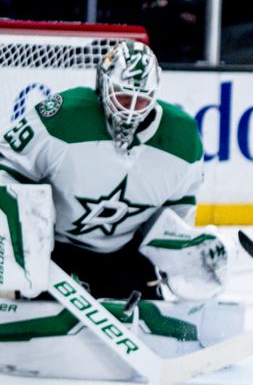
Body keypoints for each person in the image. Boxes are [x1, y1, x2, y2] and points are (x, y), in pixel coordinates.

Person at [0, 40, 225, 302]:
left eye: (140, 99)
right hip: (55, 254)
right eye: (123, 95)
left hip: (125, 256)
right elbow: (7, 165)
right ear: (104, 84)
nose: (130, 109)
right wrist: (22, 250)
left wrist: (183, 254)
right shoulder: (64, 117)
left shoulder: (183, 139)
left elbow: (177, 212)